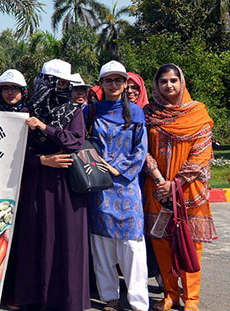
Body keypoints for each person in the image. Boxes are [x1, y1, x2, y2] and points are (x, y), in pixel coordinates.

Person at [3, 59, 89, 311]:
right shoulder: (27, 112)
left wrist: (45, 128)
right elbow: (14, 153)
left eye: (66, 83)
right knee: (35, 238)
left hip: (66, 188)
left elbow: (76, 142)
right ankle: (33, 297)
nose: (62, 88)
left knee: (65, 241)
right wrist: (42, 160)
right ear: (45, 83)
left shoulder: (73, 111)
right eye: (58, 82)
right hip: (36, 183)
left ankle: (65, 299)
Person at [144, 64, 216, 311]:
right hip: (157, 188)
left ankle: (192, 299)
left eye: (174, 80)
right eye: (163, 81)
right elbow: (143, 150)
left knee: (190, 243)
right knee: (162, 243)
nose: (169, 85)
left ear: (182, 82)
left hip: (188, 190)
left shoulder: (197, 112)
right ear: (156, 85)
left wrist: (176, 183)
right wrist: (160, 181)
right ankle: (170, 294)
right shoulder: (149, 113)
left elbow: (201, 151)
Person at [86, 61, 149, 311]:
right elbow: (82, 143)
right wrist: (97, 167)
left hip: (127, 187)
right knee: (102, 245)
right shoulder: (90, 111)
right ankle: (109, 296)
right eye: (108, 80)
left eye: (118, 81)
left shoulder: (135, 113)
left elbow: (140, 149)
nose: (113, 85)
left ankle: (138, 302)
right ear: (101, 84)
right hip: (99, 186)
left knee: (132, 246)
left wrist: (118, 168)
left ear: (125, 84)